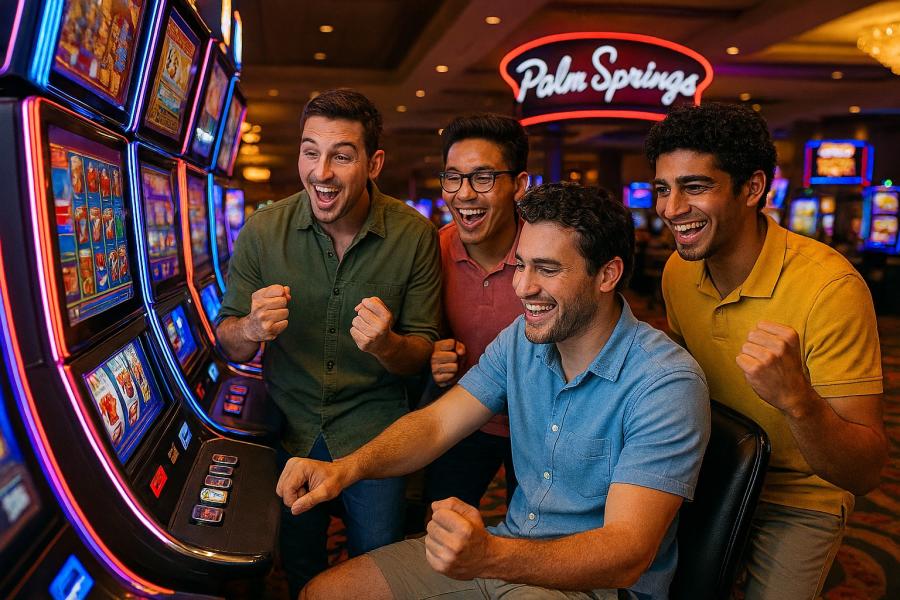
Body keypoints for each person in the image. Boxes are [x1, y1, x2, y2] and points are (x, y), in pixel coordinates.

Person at [279, 182, 711, 600]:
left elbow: (626, 555)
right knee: (324, 592)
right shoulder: (521, 340)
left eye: (547, 268)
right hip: (505, 551)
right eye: (521, 264)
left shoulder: (664, 382)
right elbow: (436, 425)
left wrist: (490, 555)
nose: (522, 287)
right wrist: (346, 469)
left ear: (608, 274)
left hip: (591, 587)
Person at [645, 102, 888, 600]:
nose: (670, 209)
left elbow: (863, 471)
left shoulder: (832, 287)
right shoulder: (677, 271)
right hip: (709, 471)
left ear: (753, 188)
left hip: (799, 494)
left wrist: (796, 398)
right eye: (663, 189)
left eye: (695, 187)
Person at [215, 89, 442, 597]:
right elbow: (227, 341)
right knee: (298, 565)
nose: (321, 172)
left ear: (373, 162)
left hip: (374, 431)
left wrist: (387, 345)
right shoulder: (262, 232)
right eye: (309, 151)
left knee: (377, 567)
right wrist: (250, 329)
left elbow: (422, 353)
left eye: (341, 155)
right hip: (290, 427)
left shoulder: (414, 236)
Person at [425, 113, 530, 508]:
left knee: (539, 543)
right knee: (437, 526)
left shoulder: (549, 251)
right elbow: (421, 333)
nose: (464, 194)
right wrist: (431, 352)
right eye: (453, 177)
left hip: (540, 423)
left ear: (519, 185)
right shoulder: (433, 251)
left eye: (483, 178)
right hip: (466, 416)